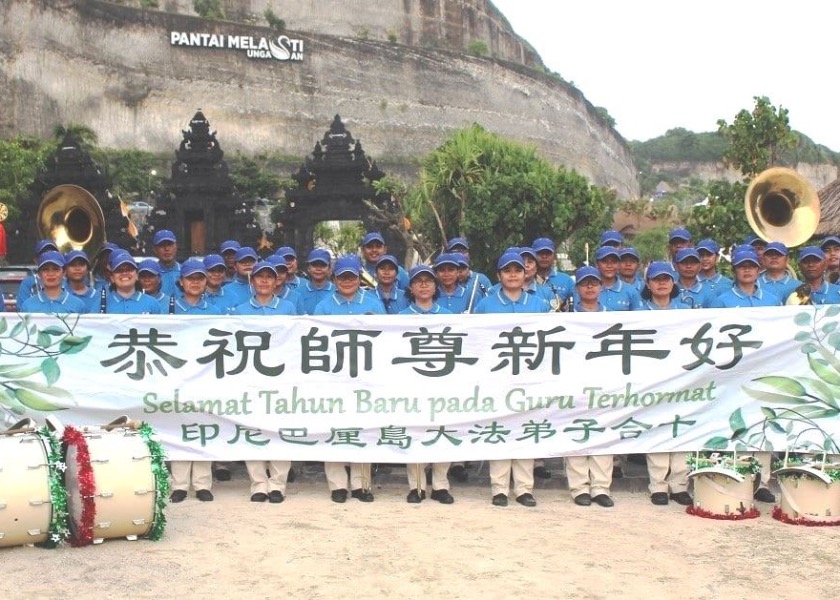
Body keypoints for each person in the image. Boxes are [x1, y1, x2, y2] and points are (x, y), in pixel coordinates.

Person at [475, 252, 548, 508]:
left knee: (525, 430)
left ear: (526, 272)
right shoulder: (485, 305)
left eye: (518, 269)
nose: (514, 274)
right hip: (497, 376)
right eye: (508, 270)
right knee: (500, 430)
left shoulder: (539, 304)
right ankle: (499, 488)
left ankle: (524, 488)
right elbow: (476, 340)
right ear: (499, 275)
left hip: (529, 376)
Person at [709, 248, 780, 502]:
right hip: (731, 371)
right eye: (741, 266)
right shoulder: (722, 300)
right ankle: (733, 472)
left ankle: (762, 481)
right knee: (733, 421)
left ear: (758, 269)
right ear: (735, 270)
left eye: (751, 265)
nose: (747, 270)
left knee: (761, 422)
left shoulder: (772, 300)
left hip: (763, 370)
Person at [314, 256, 384, 502]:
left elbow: (385, 339)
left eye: (351, 276)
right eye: (342, 276)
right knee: (334, 429)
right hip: (334, 376)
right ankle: (337, 485)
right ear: (334, 279)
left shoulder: (374, 303)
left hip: (366, 376)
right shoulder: (323, 307)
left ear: (359, 278)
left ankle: (361, 484)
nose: (347, 281)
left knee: (362, 429)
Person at [230, 261, 295, 503]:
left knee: (279, 430)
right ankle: (258, 483)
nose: (265, 281)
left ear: (277, 280)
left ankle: (278, 484)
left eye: (270, 276)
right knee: (253, 429)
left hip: (281, 378)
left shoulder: (288, 308)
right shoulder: (239, 310)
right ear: (252, 281)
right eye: (260, 277)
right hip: (250, 377)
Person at [398, 264, 455, 504]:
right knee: (415, 433)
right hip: (411, 386)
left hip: (444, 386)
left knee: (442, 432)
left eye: (428, 281)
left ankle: (441, 485)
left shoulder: (449, 317)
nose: (423, 285)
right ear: (411, 287)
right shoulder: (399, 319)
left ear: (435, 286)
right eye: (418, 281)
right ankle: (417, 485)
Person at [637, 262, 692, 506]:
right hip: (652, 379)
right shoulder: (637, 313)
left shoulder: (688, 311)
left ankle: (680, 485)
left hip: (684, 379)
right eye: (657, 279)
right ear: (648, 284)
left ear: (673, 283)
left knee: (683, 429)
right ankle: (658, 485)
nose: (662, 283)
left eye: (667, 279)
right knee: (658, 429)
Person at [168, 259, 221, 503]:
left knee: (202, 427)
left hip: (206, 374)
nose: (196, 283)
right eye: (191, 278)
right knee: (179, 426)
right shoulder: (167, 307)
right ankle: (179, 484)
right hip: (175, 374)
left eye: (200, 278)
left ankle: (202, 483)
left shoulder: (214, 310)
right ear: (181, 282)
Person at [565, 265, 615, 507]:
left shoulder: (614, 316)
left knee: (603, 432)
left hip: (605, 380)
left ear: (601, 287)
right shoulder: (565, 317)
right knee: (575, 430)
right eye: (585, 283)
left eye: (594, 283)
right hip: (574, 380)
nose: (590, 287)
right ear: (577, 288)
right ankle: (579, 488)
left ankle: (601, 487)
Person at [19, 251, 85, 314]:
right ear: (39, 274)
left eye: (56, 269)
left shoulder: (78, 305)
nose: (50, 274)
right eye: (45, 269)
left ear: (64, 272)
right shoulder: (27, 306)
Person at [592, 246, 642, 311]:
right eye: (604, 261)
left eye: (613, 262)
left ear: (618, 264)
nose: (609, 265)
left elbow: (638, 318)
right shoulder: (588, 290)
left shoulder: (631, 291)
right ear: (597, 264)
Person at [17, 239, 60, 307]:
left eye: (52, 252)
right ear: (36, 260)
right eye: (44, 253)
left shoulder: (65, 281)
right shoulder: (28, 283)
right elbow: (23, 312)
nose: (49, 256)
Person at [533, 237, 574, 306]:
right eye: (540, 253)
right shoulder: (526, 280)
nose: (544, 256)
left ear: (554, 255)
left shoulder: (567, 280)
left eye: (548, 253)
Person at [299, 248, 336, 315]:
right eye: (314, 264)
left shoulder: (337, 292)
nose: (318, 269)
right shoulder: (298, 293)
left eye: (323, 265)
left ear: (329, 268)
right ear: (308, 268)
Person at [151, 229, 181, 295]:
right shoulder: (150, 274)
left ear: (176, 247)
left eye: (170, 245)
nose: (166, 249)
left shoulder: (186, 272)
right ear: (155, 249)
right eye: (162, 245)